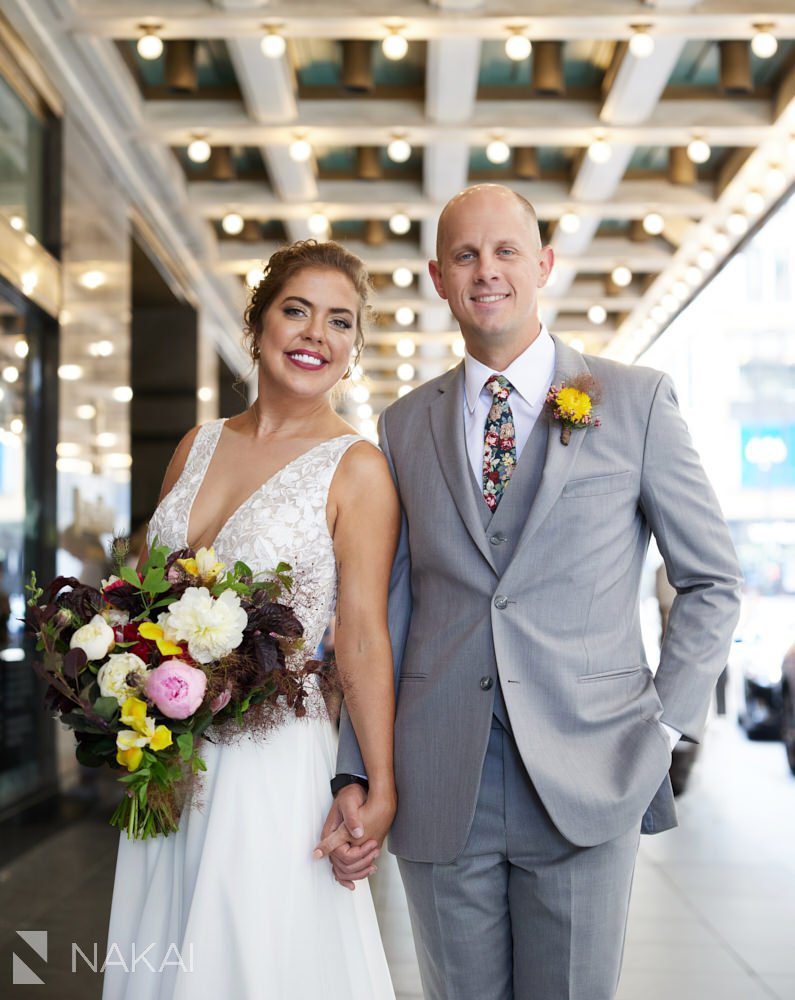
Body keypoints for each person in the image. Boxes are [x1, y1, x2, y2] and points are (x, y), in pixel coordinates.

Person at [318, 184, 742, 999]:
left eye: (506, 250)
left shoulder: (636, 400)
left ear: (543, 264)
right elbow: (383, 608)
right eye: (465, 255)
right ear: (438, 278)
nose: (486, 271)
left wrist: (663, 727)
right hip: (438, 773)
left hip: (591, 768)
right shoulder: (403, 425)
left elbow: (713, 582)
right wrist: (355, 771)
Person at [103, 241, 399, 999]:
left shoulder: (356, 468)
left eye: (340, 322)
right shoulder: (196, 444)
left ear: (353, 347)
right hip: (171, 758)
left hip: (271, 766)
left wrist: (378, 784)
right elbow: (144, 591)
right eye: (296, 311)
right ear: (258, 323)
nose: (315, 336)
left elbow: (362, 635)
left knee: (252, 962)